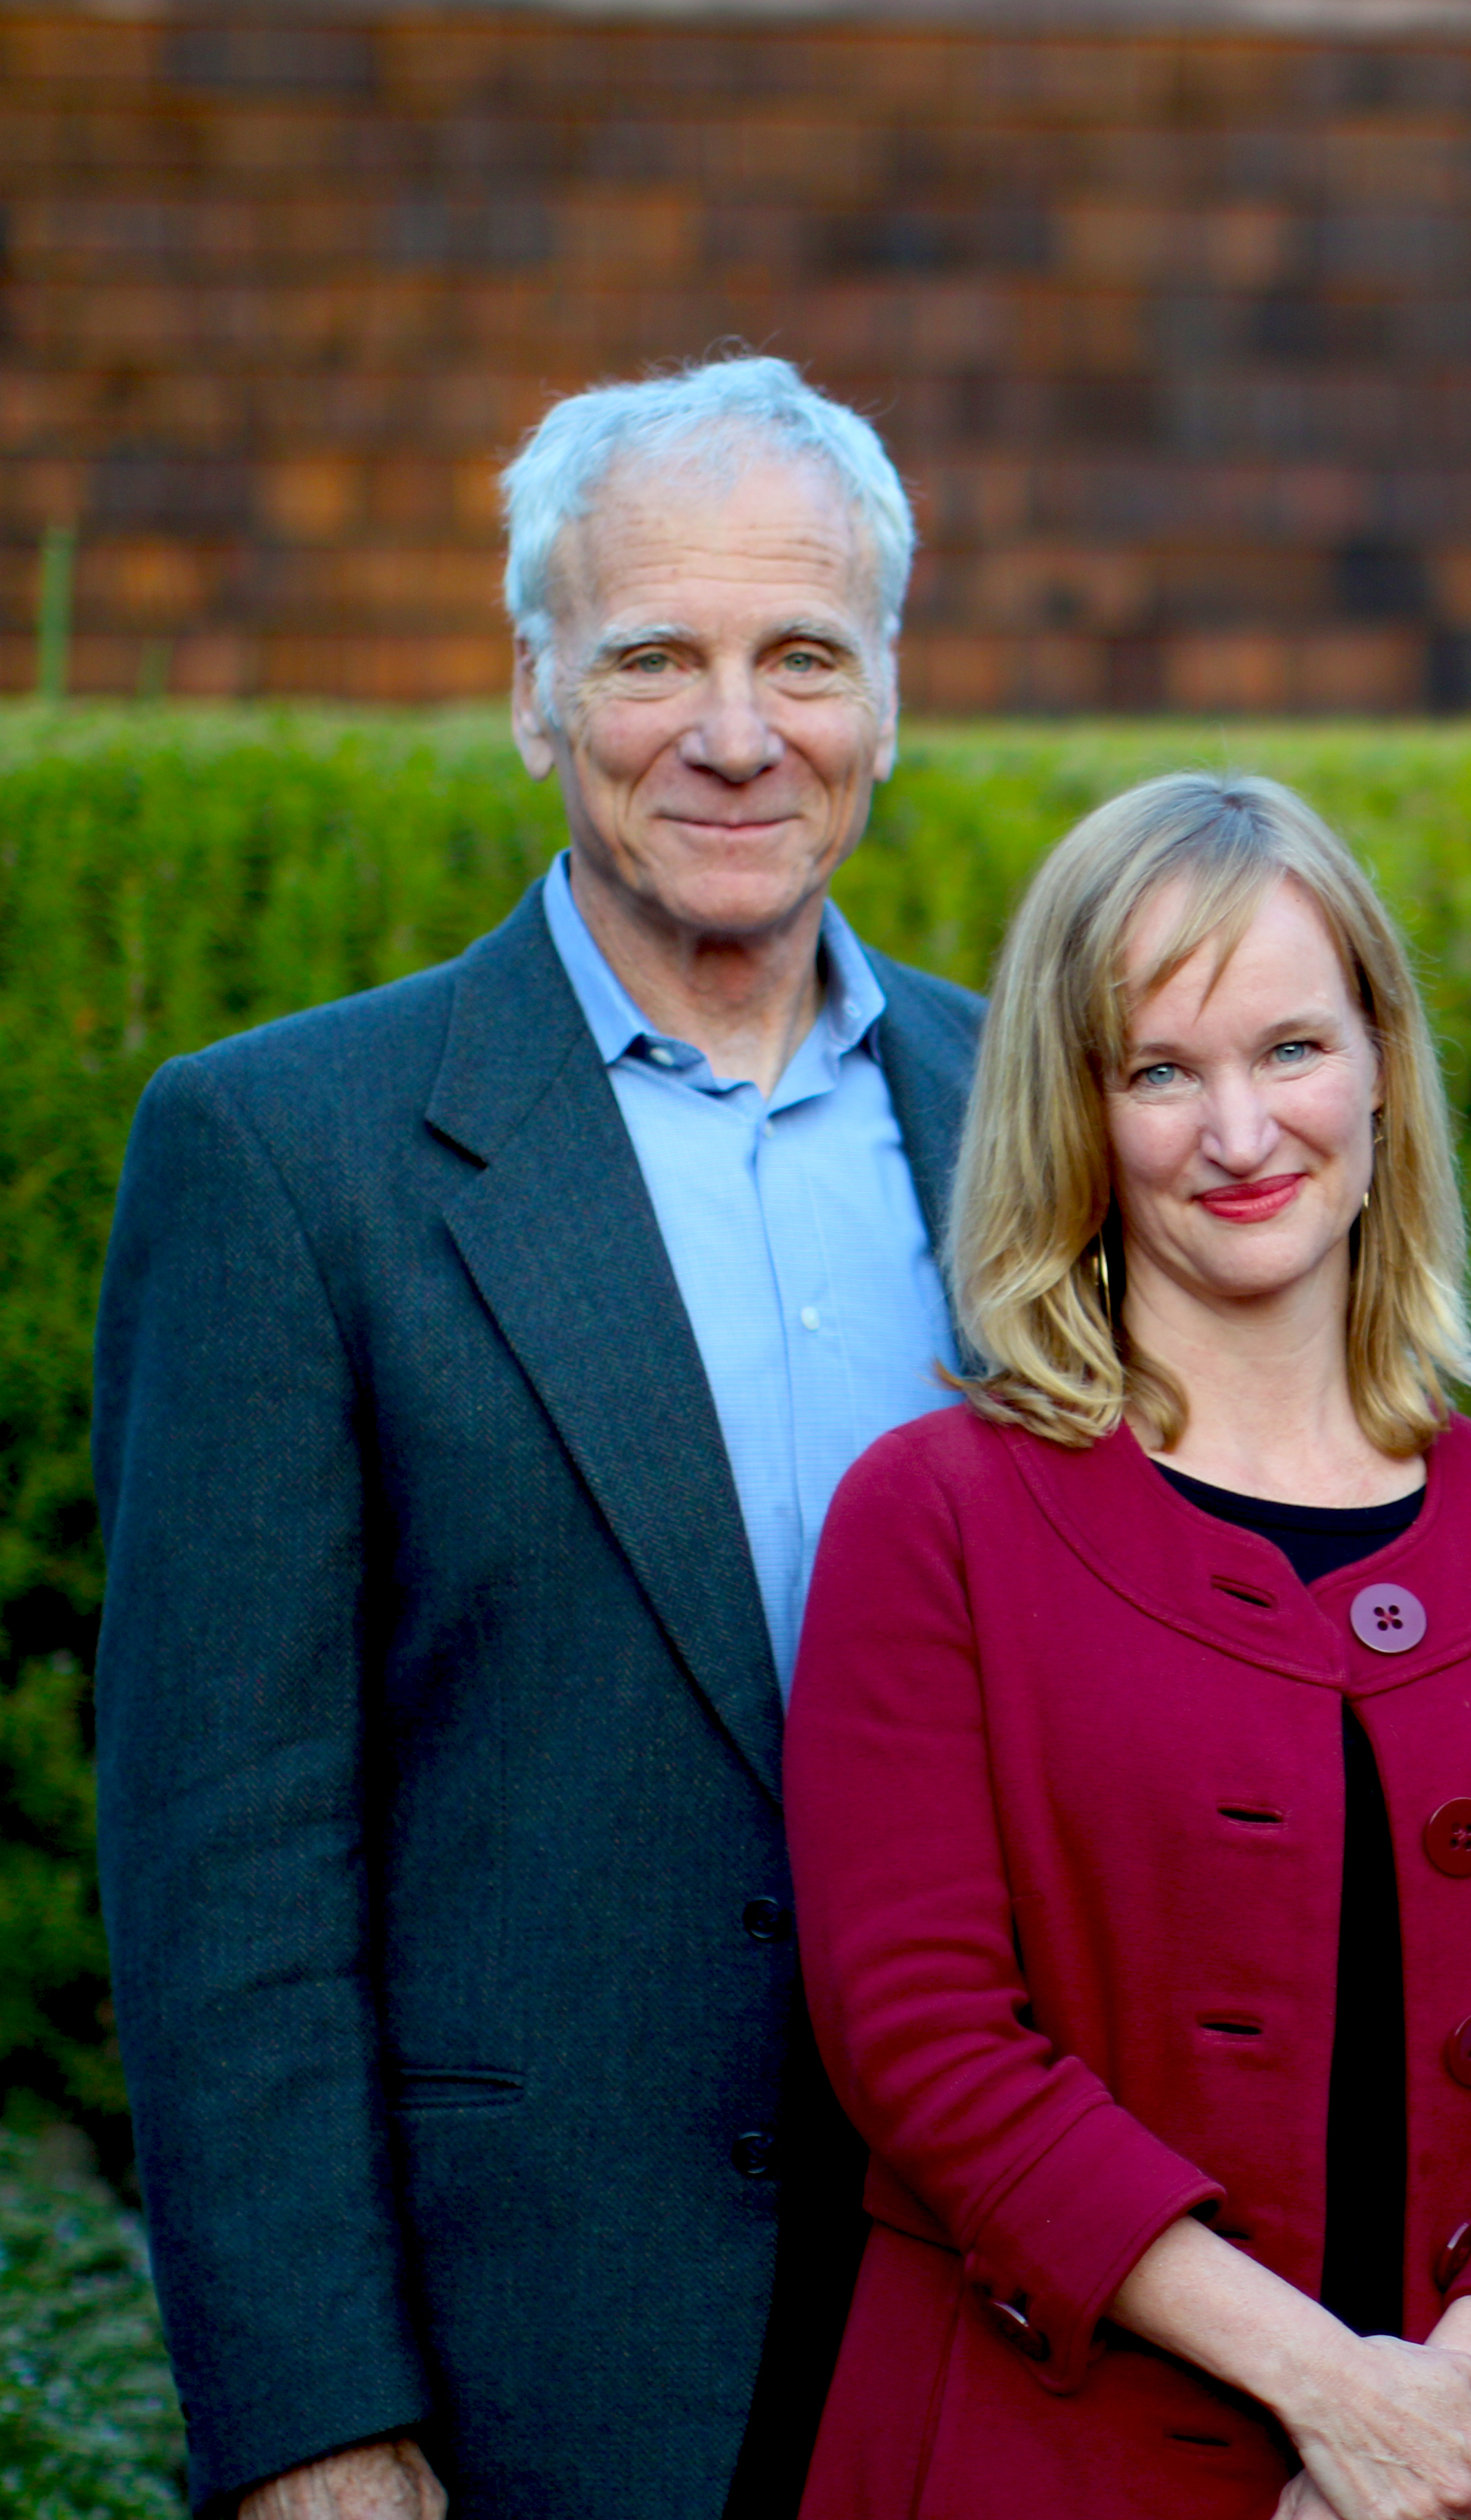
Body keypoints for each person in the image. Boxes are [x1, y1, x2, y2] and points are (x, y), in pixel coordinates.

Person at [91, 354, 978, 2517]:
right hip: (526, 2365)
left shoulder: (1027, 1113)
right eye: (655, 656)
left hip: (988, 2342)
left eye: (804, 657)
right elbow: (226, 1858)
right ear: (532, 692)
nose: (738, 733)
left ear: (887, 692)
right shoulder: (287, 1158)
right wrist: (310, 2408)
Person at [782, 771, 1471, 2519]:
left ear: (1380, 1071)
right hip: (1037, 2456)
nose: (1241, 1131)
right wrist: (1324, 2392)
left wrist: (1442, 2411)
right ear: (1076, 1114)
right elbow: (919, 2034)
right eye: (1159, 1071)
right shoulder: (941, 1516)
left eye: (1291, 1050)